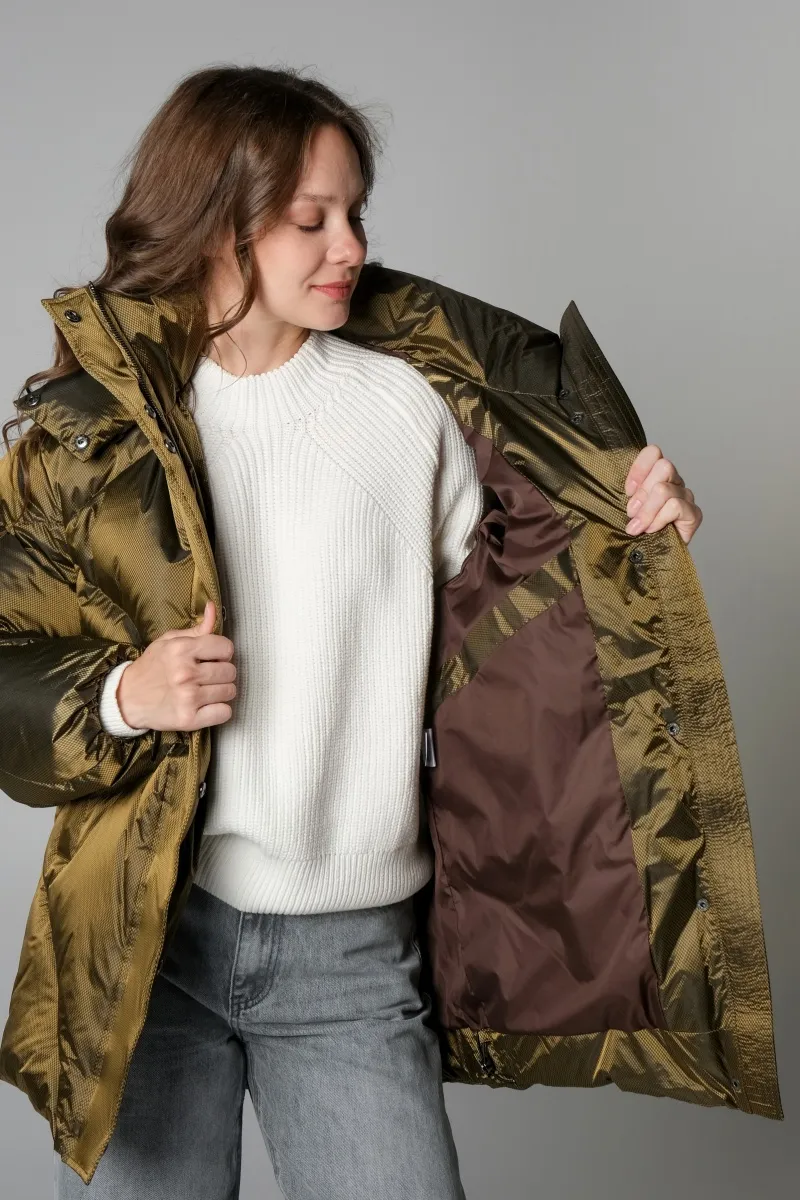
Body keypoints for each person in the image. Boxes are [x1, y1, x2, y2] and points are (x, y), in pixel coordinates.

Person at [0, 64, 706, 1199]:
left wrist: (638, 522)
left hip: (353, 955)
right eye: (312, 218)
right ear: (219, 224)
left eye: (356, 214)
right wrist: (123, 697)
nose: (352, 249)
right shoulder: (97, 433)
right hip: (147, 937)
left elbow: (538, 595)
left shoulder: (406, 409)